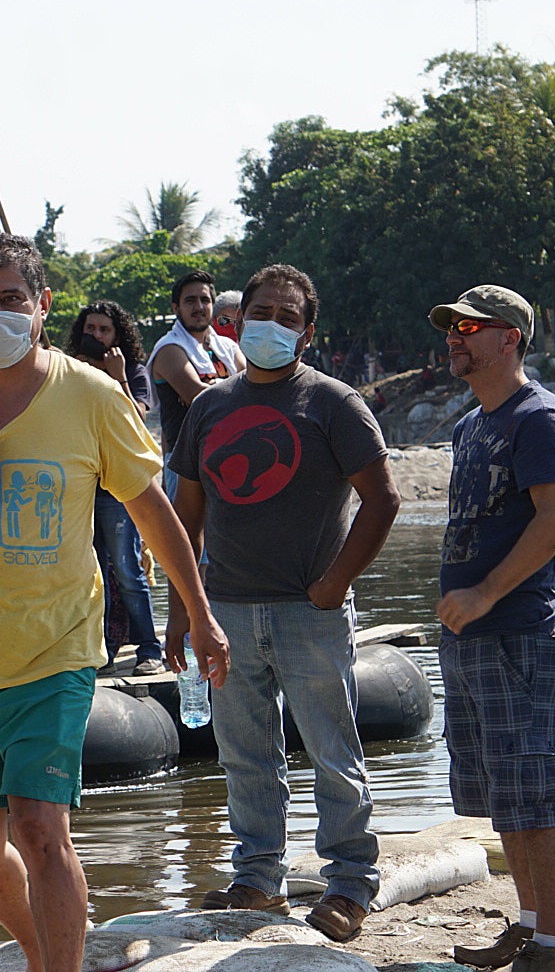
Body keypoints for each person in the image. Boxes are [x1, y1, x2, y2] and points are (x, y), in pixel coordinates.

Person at [0, 233, 228, 972]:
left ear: (42, 306)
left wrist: (199, 612)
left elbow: (151, 509)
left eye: (11, 302)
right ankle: (44, 953)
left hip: (53, 649)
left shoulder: (89, 395)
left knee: (38, 825)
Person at [166, 263, 400, 942]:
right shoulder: (210, 406)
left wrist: (337, 582)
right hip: (229, 613)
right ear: (238, 324)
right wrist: (185, 608)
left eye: (288, 316)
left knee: (334, 751)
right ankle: (257, 879)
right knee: (244, 754)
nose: (272, 324)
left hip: (311, 613)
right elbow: (186, 516)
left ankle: (350, 884)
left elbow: (382, 500)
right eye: (261, 311)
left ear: (308, 331)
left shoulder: (332, 403)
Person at [429, 286, 555, 972]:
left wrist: (487, 593)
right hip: (470, 640)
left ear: (509, 337)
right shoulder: (470, 426)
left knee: (536, 795)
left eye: (468, 327)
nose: (454, 338)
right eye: (451, 329)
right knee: (503, 798)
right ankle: (526, 926)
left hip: (520, 634)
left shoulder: (538, 417)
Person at [65, 300, 164, 675]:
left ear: (118, 336)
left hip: (119, 489)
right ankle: (103, 647)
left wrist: (117, 375)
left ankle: (149, 649)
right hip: (81, 485)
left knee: (127, 571)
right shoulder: (70, 371)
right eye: (90, 329)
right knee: (93, 573)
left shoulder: (134, 371)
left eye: (104, 330)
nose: (96, 336)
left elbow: (136, 419)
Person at [149, 270, 245, 487]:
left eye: (205, 300)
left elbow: (253, 391)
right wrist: (228, 387)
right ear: (176, 308)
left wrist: (214, 387)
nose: (199, 307)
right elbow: (199, 397)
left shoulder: (227, 347)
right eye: (190, 301)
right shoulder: (169, 349)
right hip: (187, 466)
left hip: (229, 457)